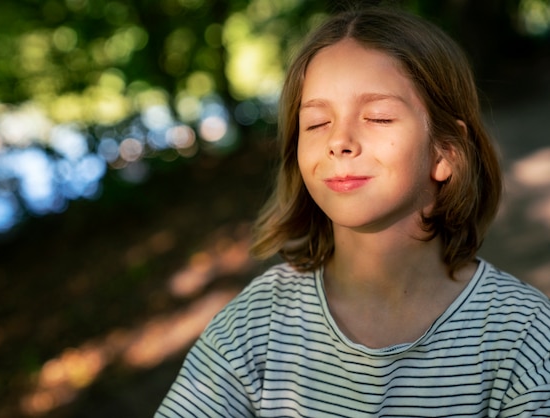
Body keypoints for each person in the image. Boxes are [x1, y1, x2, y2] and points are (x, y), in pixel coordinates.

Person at [156, 6, 550, 417]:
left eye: (377, 117)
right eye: (316, 123)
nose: (339, 140)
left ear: (445, 151)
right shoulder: (256, 325)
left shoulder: (522, 335)